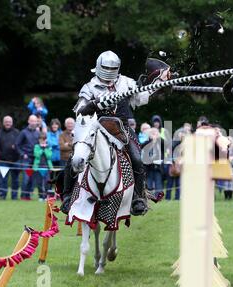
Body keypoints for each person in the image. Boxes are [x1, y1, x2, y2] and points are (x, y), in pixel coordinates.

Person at [60, 51, 170, 215]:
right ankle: (68, 196)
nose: (108, 74)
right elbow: (80, 112)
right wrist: (94, 104)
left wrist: (159, 85)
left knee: (137, 159)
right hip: (97, 129)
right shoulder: (89, 87)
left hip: (122, 129)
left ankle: (137, 199)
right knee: (74, 157)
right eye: (106, 69)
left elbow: (140, 98)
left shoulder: (126, 83)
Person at [16, 115, 40, 200]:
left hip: (35, 159)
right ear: (28, 121)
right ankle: (23, 195)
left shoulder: (38, 133)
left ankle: (28, 196)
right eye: (32, 121)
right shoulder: (23, 132)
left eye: (35, 121)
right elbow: (17, 145)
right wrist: (22, 154)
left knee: (32, 179)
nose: (33, 123)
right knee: (25, 178)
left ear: (36, 122)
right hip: (26, 159)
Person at [0, 116, 20, 200]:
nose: (8, 123)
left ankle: (14, 196)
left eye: (9, 121)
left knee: (15, 180)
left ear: (12, 122)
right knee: (3, 180)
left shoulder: (17, 132)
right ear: (3, 122)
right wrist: (2, 156)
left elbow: (20, 146)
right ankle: (3, 196)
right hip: (3, 161)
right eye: (6, 121)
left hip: (15, 161)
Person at [33, 132, 53, 201]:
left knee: (47, 182)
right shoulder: (36, 146)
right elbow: (36, 155)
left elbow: (49, 156)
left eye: (44, 139)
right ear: (39, 140)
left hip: (47, 168)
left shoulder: (49, 147)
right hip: (38, 167)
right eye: (41, 140)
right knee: (39, 182)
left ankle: (46, 196)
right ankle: (40, 196)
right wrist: (42, 149)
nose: (43, 141)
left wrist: (45, 149)